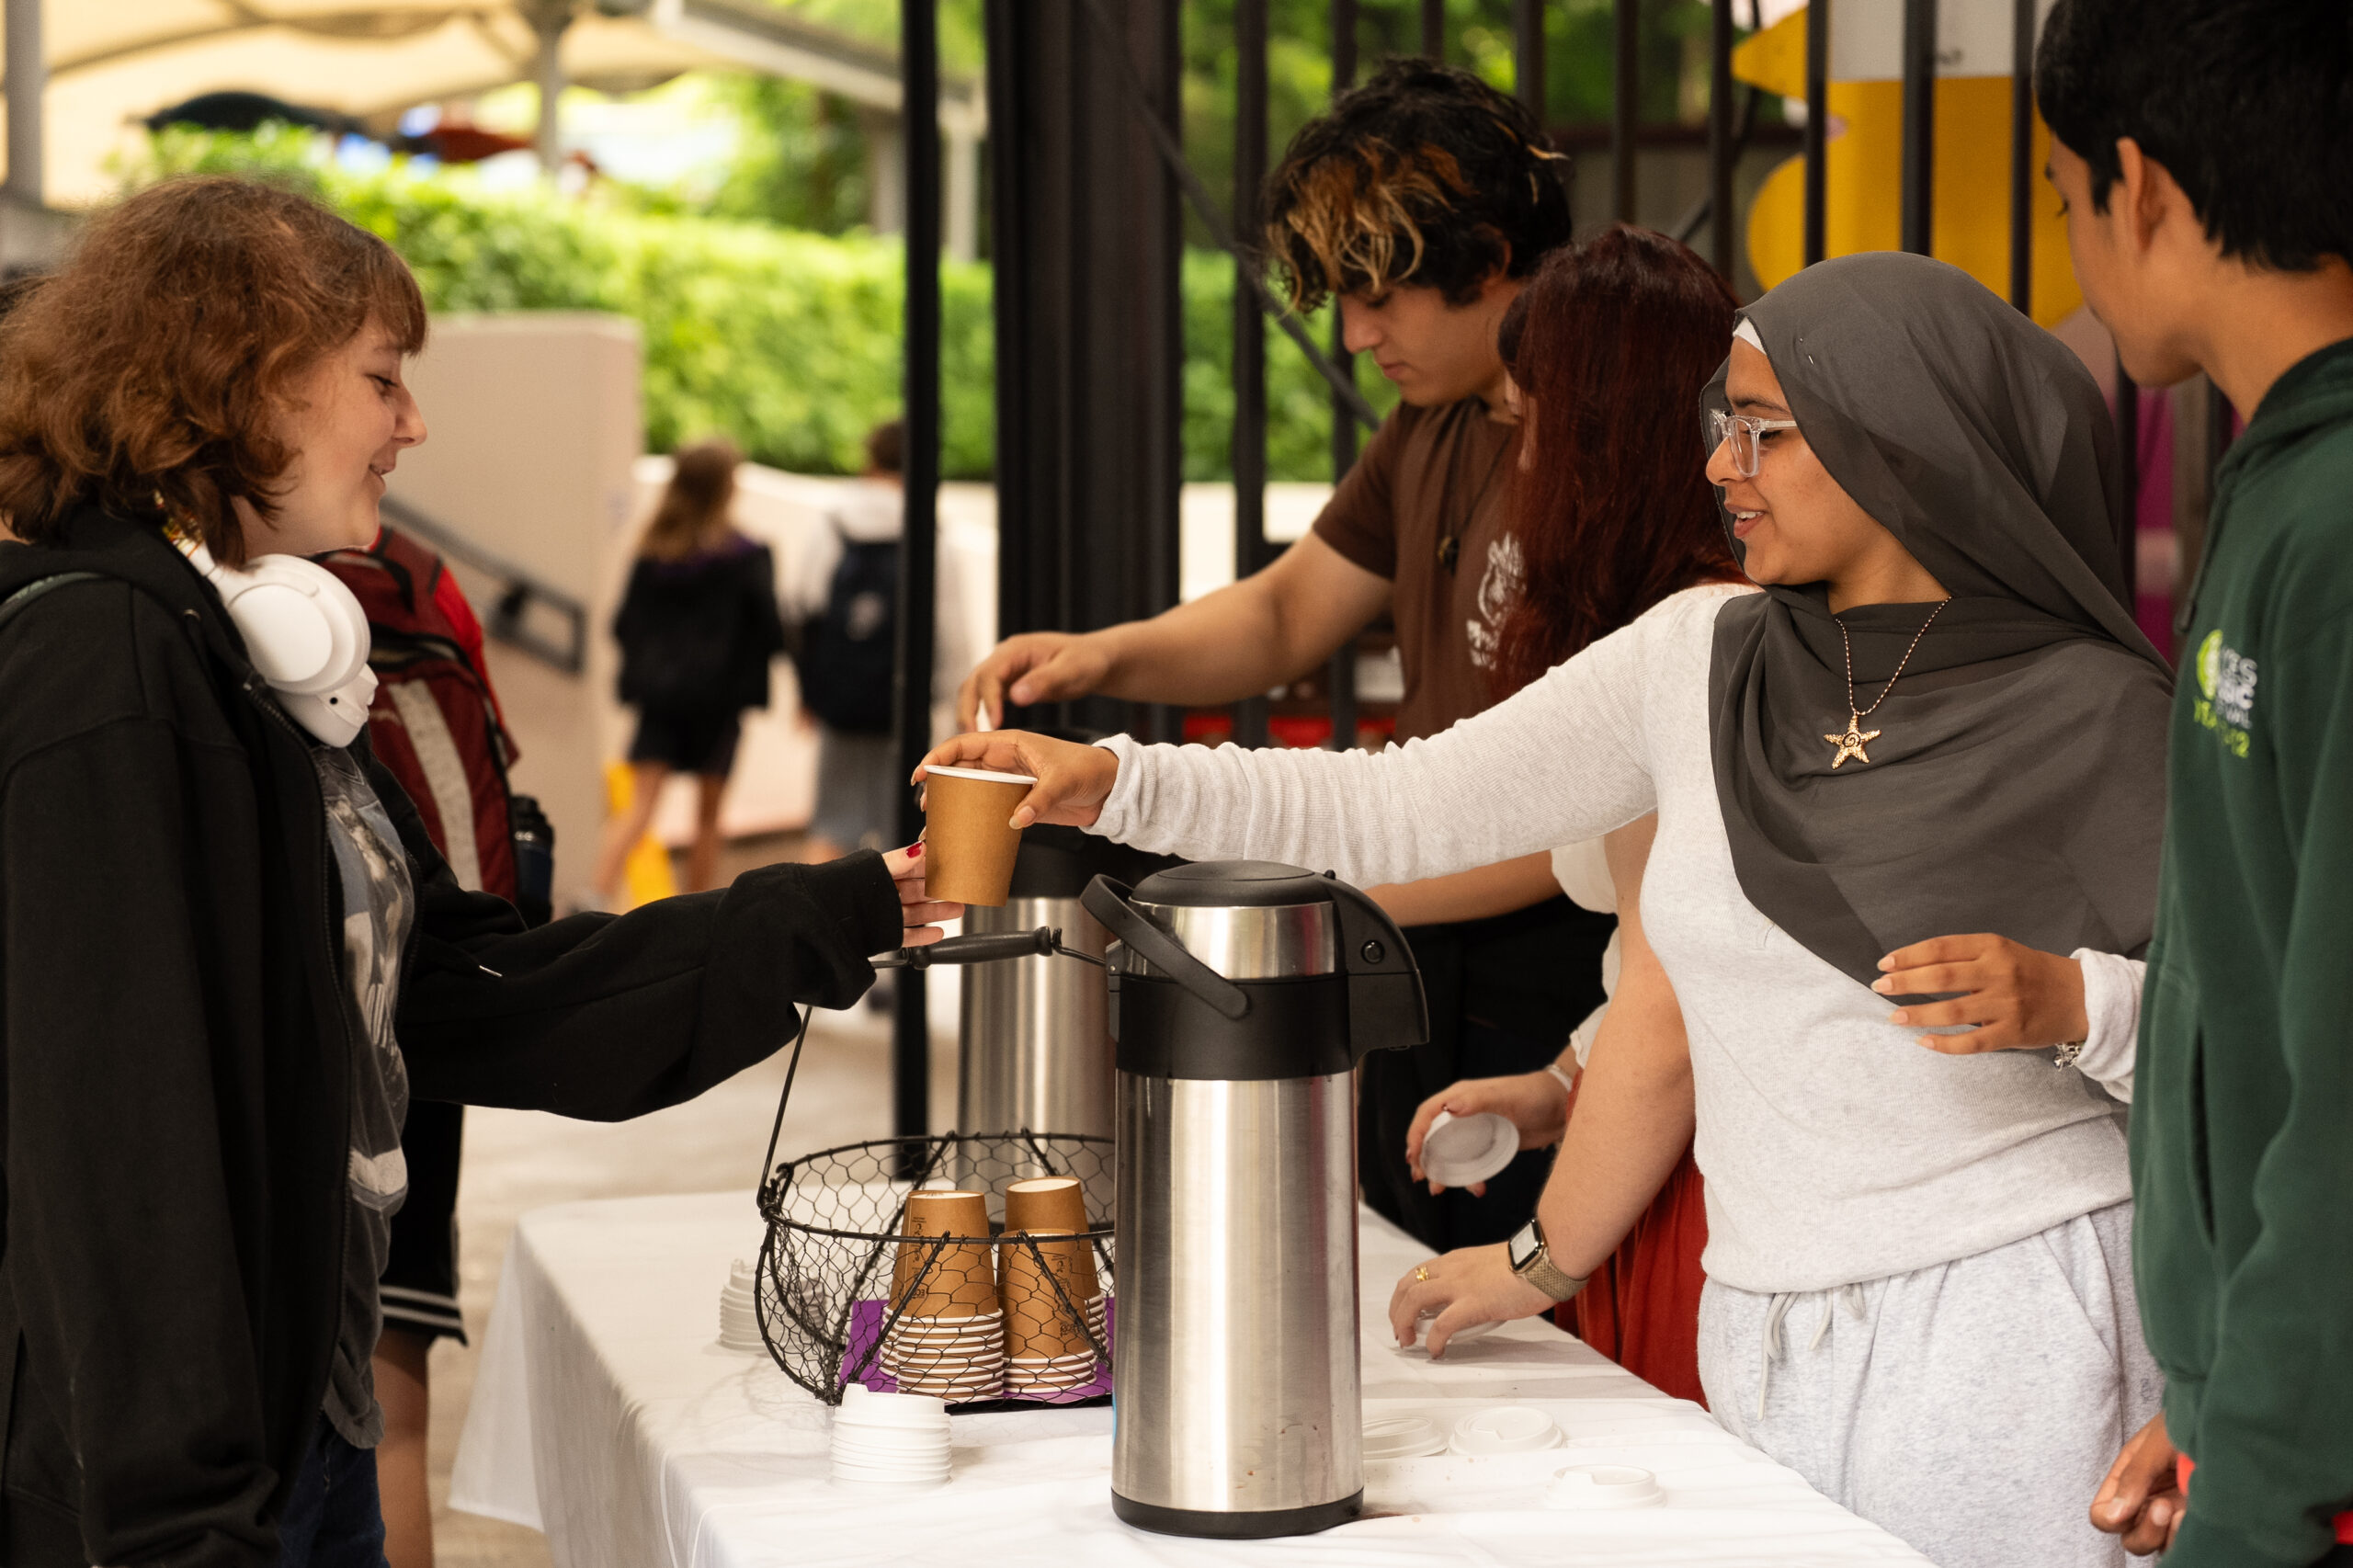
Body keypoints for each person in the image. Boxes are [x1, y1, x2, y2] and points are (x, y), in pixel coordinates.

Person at [925, 252, 2172, 1568]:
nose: (1720, 463)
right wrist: (1116, 779)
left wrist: (2075, 1001)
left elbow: (2247, 1050)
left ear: (1897, 438)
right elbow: (1403, 801)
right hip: (1758, 1320)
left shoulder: (2099, 713)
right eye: (1722, 422)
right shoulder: (1698, 653)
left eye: (1763, 428)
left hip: (2017, 1318)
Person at [0, 176, 954, 1568]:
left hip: (304, 1433)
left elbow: (469, 988)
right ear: (244, 376)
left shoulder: (241, 659)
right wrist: (183, 1524)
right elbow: (116, 1146)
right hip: (182, 1508)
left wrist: (834, 910)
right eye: (382, 378)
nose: (414, 423)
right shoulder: (104, 665)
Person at [955, 58, 1599, 1253]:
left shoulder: (1616, 444)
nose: (1355, 337)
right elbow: (1285, 613)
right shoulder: (1431, 421)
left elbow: (1604, 816)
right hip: (1414, 937)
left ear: (1490, 252)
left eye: (1382, 294)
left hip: (1559, 975)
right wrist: (1094, 657)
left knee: (1535, 1312)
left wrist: (1331, 897)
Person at [2035, 3, 2353, 1562]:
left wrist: (2265, 1479)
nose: (2074, 247)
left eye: (2065, 198)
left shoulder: (2335, 521)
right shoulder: (2283, 472)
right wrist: (2225, 1394)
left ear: (2142, 187)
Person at [1363, 224, 1744, 1405]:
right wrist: (1561, 1082)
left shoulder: (1693, 637)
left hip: (1704, 1175)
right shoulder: (1670, 622)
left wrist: (1535, 1258)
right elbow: (1655, 955)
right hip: (1665, 1147)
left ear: (1598, 442)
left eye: (1530, 427)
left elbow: (1674, 998)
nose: (1519, 467)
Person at [320, 522, 539, 1568]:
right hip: (427, 1006)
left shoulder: (214, 584)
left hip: (322, 1024)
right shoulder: (419, 574)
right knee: (392, 1407)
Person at [592, 437, 788, 903]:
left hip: (660, 700)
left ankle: (592, 898)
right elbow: (771, 631)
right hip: (719, 704)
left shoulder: (654, 552)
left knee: (639, 808)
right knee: (709, 817)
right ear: (726, 487)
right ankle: (700, 915)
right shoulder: (745, 556)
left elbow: (623, 624)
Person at [796, 418, 911, 861]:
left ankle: (817, 908)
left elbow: (802, 605)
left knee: (832, 826)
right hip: (901, 704)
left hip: (841, 699)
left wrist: (808, 693)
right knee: (901, 829)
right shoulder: (926, 528)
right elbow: (950, 627)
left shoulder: (835, 522)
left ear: (870, 459)